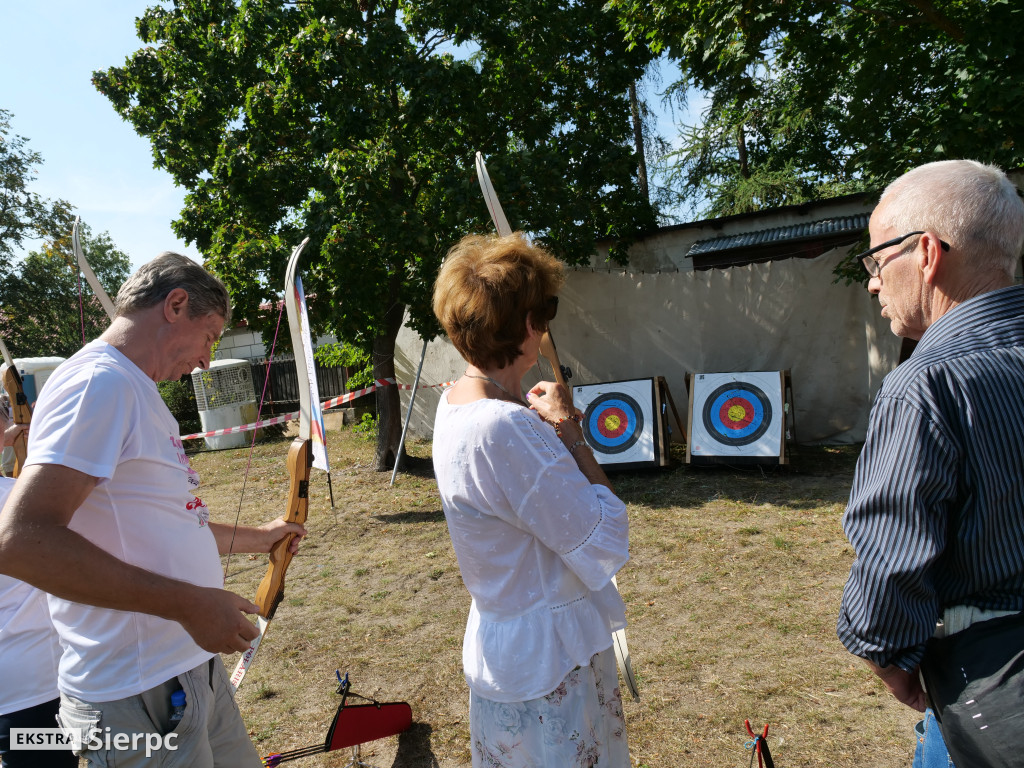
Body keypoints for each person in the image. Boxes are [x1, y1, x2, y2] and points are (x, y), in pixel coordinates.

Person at [0, 252, 307, 768]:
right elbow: (22, 541)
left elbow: (163, 521)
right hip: (138, 691)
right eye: (210, 336)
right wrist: (189, 605)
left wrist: (263, 536)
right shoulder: (99, 384)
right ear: (176, 304)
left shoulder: (129, 386)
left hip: (183, 672)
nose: (208, 359)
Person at [836, 160, 1024, 767]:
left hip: (989, 686)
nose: (871, 283)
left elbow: (892, 561)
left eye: (875, 260)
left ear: (925, 253)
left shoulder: (928, 383)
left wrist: (890, 659)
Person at [431, 232, 631, 767]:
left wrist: (528, 413)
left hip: (511, 648)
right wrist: (570, 432)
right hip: (548, 660)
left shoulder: (455, 404)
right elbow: (605, 536)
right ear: (526, 326)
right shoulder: (506, 428)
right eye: (545, 311)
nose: (545, 325)